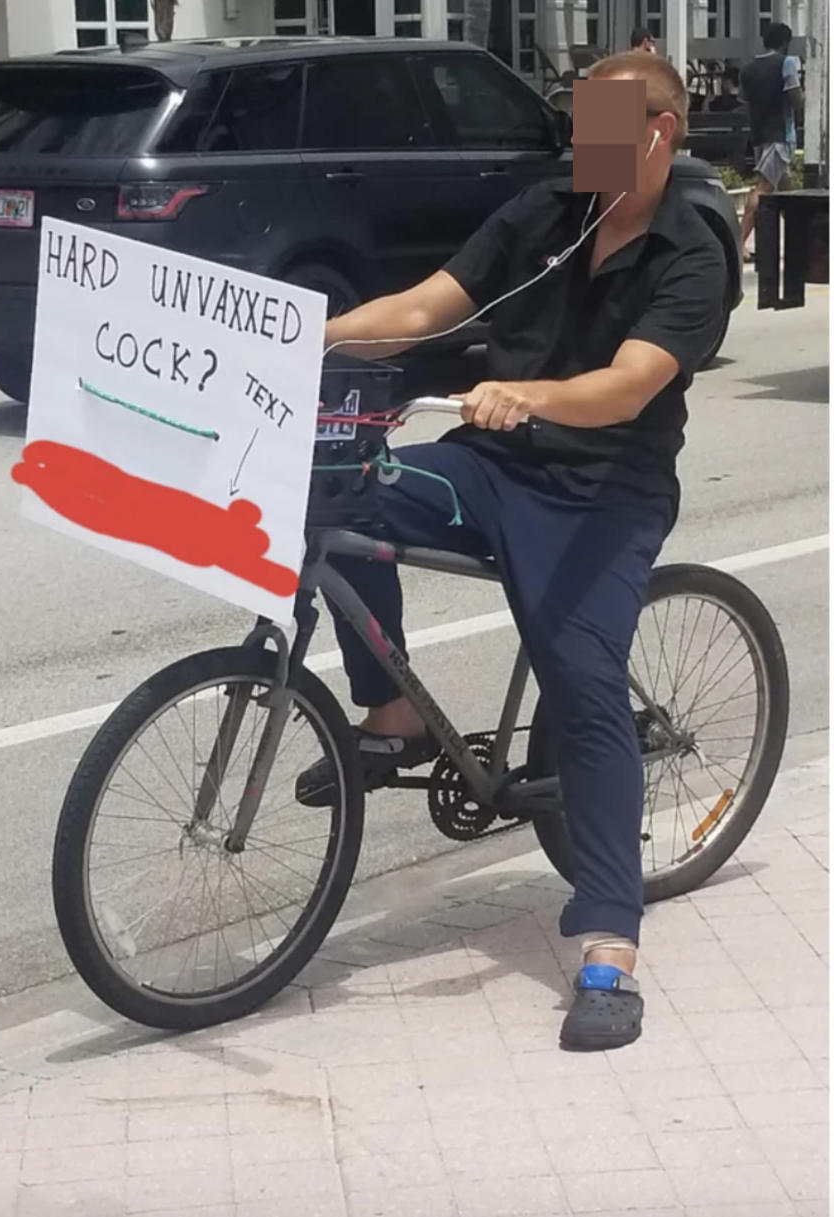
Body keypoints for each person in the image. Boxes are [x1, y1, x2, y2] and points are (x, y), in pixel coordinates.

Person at [297, 51, 727, 1051]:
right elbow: (423, 307)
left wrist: (526, 394)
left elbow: (626, 387)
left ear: (660, 130)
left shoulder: (693, 247)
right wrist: (306, 335)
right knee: (346, 506)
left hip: (602, 492)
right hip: (491, 465)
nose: (586, 151)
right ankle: (394, 715)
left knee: (582, 685)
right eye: (581, 130)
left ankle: (611, 937)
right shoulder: (548, 211)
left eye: (607, 132)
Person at [739, 22, 803, 258]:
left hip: (759, 136)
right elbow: (795, 99)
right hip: (780, 137)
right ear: (785, 43)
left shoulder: (747, 69)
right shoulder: (786, 63)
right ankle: (738, 243)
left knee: (785, 190)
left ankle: (800, 240)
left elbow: (744, 99)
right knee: (764, 188)